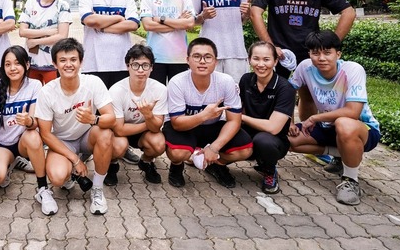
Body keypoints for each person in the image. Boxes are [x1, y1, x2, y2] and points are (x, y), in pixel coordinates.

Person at [250, 0, 356, 135]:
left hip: (309, 51)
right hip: (280, 51)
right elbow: (255, 13)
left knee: (307, 95)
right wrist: (270, 47)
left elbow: (348, 12)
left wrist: (329, 44)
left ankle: (310, 133)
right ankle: (281, 134)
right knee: (279, 93)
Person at [287, 30, 380, 206]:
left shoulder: (352, 70)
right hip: (327, 127)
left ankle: (350, 181)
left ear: (338, 54)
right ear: (309, 54)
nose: (321, 58)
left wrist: (315, 118)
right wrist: (289, 121)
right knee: (285, 139)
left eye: (327, 52)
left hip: (362, 129)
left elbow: (353, 111)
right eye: (315, 53)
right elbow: (287, 91)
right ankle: (339, 155)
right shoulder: (305, 67)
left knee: (344, 123)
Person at [35, 38, 116, 215]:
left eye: (73, 59)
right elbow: (46, 134)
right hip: (63, 141)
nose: (68, 64)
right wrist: (75, 160)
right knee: (57, 178)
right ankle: (71, 170)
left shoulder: (93, 82)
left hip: (87, 136)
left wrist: (93, 119)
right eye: (62, 60)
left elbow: (111, 119)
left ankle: (97, 188)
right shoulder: (47, 92)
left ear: (81, 62)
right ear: (54, 64)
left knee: (105, 134)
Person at [0, 46, 58, 215]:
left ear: (27, 65)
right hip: (1, 144)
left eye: (17, 63)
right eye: (8, 64)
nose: (12, 68)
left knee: (33, 136)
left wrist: (28, 121)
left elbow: (34, 124)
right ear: (3, 67)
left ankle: (43, 189)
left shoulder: (35, 85)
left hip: (23, 142)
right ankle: (11, 162)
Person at [163, 37, 253, 189]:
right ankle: (177, 166)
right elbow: (177, 123)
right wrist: (204, 115)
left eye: (208, 57)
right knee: (178, 153)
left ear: (215, 61)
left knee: (245, 150)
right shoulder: (177, 82)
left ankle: (216, 164)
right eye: (197, 56)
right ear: (187, 60)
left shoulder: (226, 81)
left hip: (213, 125)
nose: (202, 61)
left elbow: (234, 121)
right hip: (185, 127)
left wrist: (214, 148)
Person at [238, 41, 295, 194]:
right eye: (256, 59)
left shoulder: (285, 88)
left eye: (266, 59)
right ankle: (218, 165)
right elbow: (238, 107)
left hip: (274, 140)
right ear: (249, 60)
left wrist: (242, 118)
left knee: (263, 140)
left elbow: (273, 127)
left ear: (275, 61)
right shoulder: (246, 80)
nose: (261, 64)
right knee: (225, 132)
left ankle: (269, 171)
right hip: (248, 132)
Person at [108, 44, 168, 185]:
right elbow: (119, 130)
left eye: (145, 65)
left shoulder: (160, 89)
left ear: (152, 68)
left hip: (144, 133)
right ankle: (112, 164)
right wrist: (149, 121)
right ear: (127, 66)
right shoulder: (116, 90)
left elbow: (156, 128)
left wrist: (148, 115)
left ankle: (146, 162)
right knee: (118, 146)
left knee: (159, 144)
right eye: (135, 65)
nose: (140, 70)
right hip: (122, 133)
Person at [79, 0, 140, 89]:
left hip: (122, 64)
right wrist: (118, 18)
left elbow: (133, 24)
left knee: (119, 102)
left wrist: (101, 26)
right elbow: (89, 20)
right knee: (94, 102)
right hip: (93, 64)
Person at [140, 0, 194, 85]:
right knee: (157, 94)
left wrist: (161, 19)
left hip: (179, 57)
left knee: (179, 94)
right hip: (155, 57)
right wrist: (178, 22)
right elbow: (148, 25)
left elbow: (190, 23)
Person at [18, 0, 72, 84]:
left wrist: (35, 41)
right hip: (31, 62)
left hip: (52, 63)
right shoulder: (31, 3)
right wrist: (49, 32)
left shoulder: (62, 6)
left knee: (53, 94)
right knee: (33, 93)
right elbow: (22, 31)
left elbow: (62, 36)